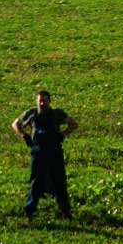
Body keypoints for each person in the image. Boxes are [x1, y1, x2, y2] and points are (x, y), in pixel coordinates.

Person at [12, 90, 78, 220]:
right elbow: (15, 124)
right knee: (35, 182)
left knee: (59, 181)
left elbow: (73, 124)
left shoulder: (57, 113)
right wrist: (24, 135)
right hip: (38, 152)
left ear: (49, 101)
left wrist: (62, 135)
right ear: (36, 101)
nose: (42, 103)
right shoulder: (31, 113)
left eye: (45, 101)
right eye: (40, 101)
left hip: (55, 152)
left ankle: (65, 211)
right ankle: (29, 211)